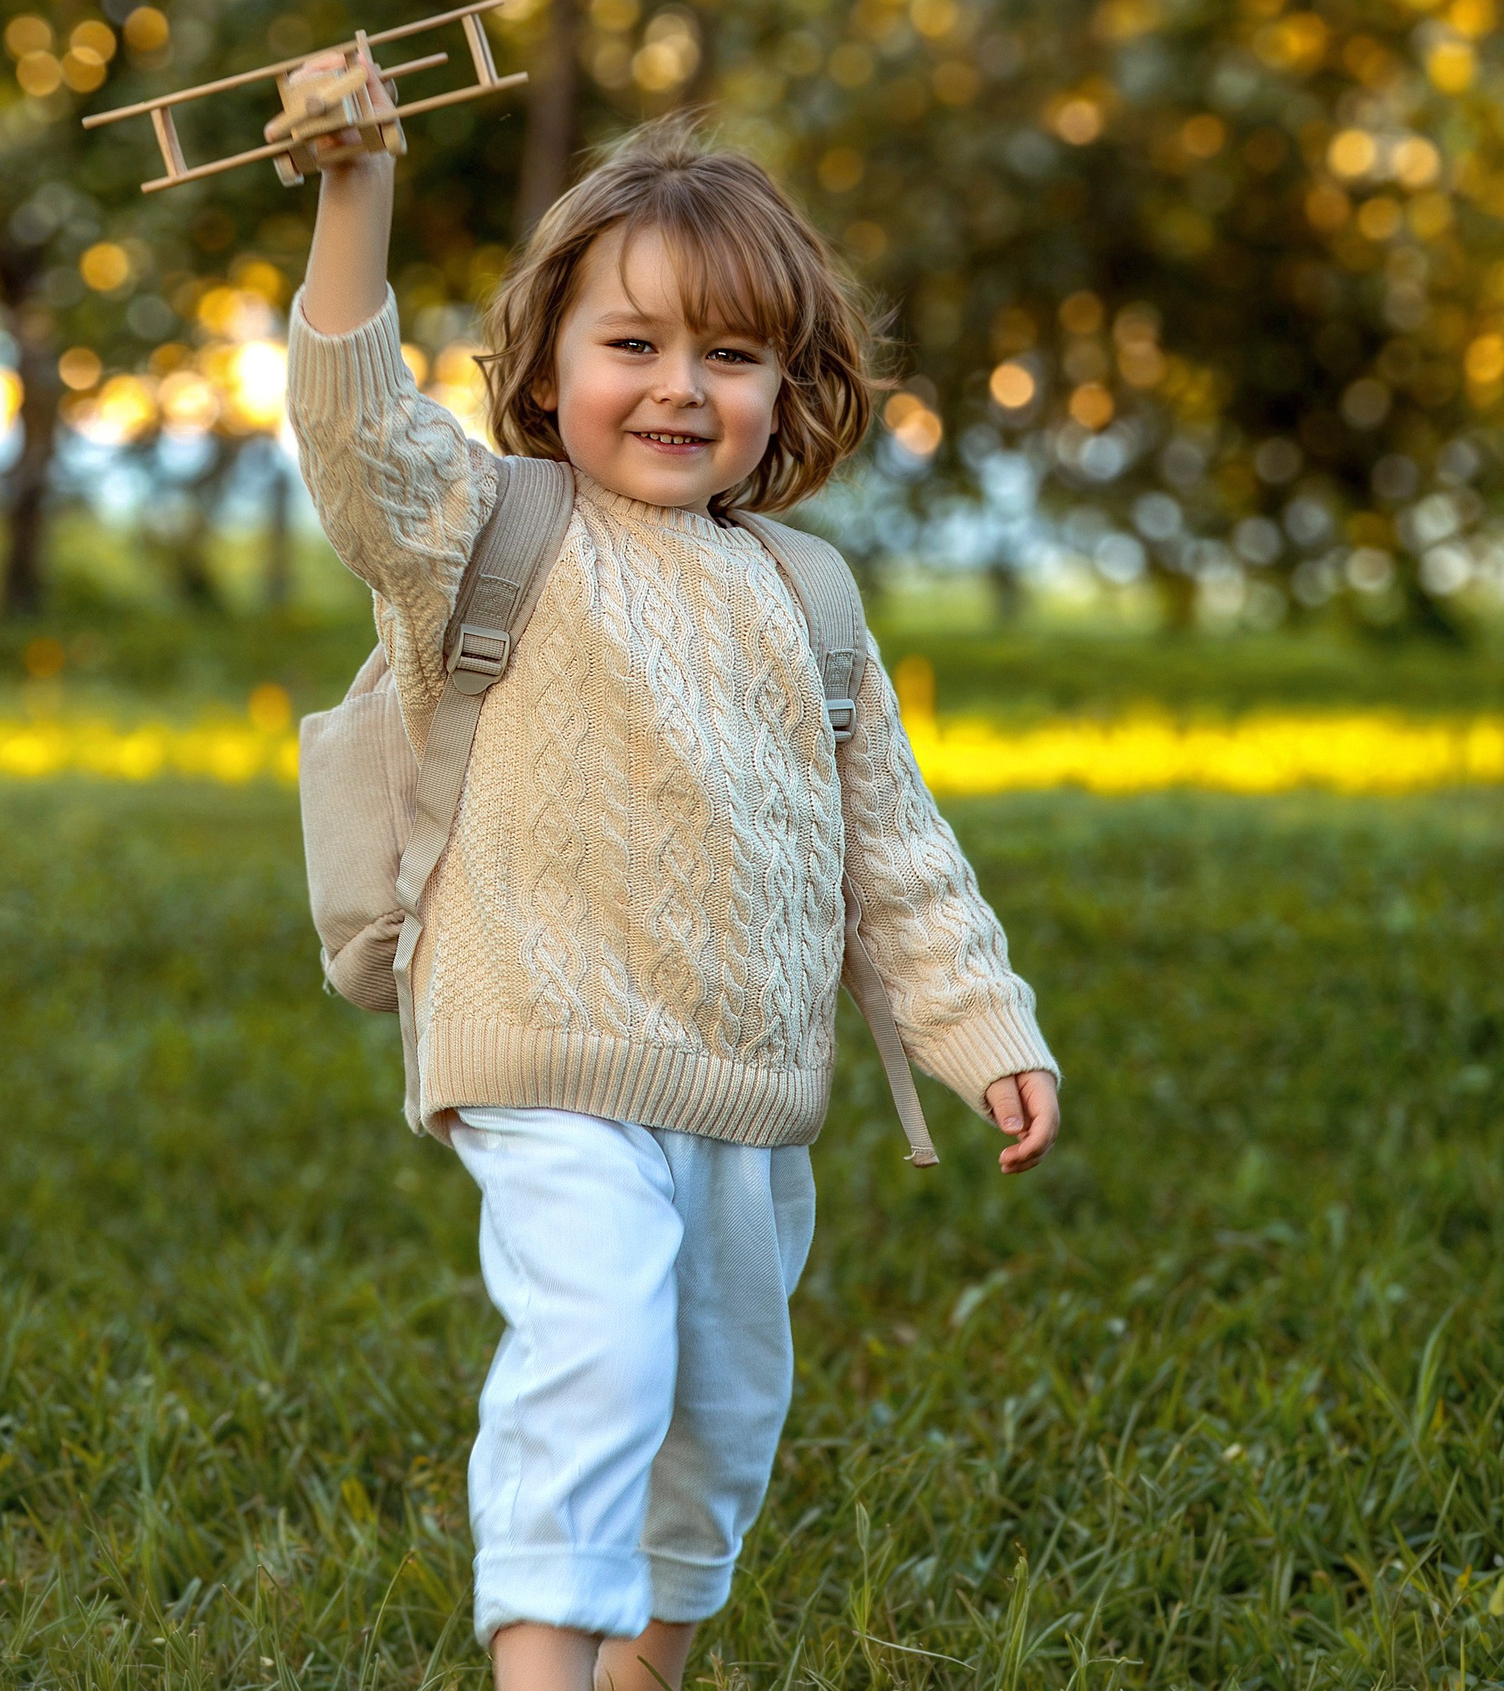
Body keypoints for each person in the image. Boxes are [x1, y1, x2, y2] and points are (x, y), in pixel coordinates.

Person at [283, 97, 1060, 1691]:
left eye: (728, 356)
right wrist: (355, 188)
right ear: (550, 361)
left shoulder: (808, 594)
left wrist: (985, 1028)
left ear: (789, 385)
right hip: (548, 1046)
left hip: (745, 1088)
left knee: (719, 1415)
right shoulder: (492, 527)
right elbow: (358, 434)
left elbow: (895, 853)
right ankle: (542, 1671)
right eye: (631, 344)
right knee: (599, 1349)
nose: (677, 389)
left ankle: (647, 1668)